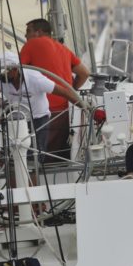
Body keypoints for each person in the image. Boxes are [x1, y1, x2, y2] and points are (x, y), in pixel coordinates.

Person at [0, 52, 83, 162]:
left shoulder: (36, 79)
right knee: (10, 155)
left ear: (15, 69)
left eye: (3, 74)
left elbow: (66, 92)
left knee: (35, 156)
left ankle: (32, 174)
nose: (0, 77)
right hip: (17, 119)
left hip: (39, 118)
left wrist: (85, 107)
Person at [19, 18, 90, 162]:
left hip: (42, 113)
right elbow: (84, 73)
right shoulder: (63, 48)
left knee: (34, 158)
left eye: (28, 32)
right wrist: (71, 90)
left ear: (38, 32)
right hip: (65, 113)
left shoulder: (31, 45)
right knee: (57, 156)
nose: (26, 36)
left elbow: (18, 74)